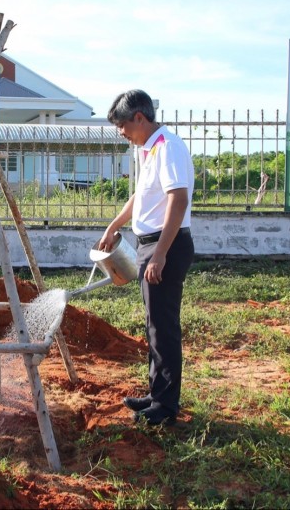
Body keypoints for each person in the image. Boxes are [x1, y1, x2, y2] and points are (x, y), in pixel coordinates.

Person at [98, 89, 195, 427]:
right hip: (149, 245)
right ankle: (157, 394)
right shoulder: (148, 149)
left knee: (164, 328)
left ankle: (166, 407)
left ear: (140, 117)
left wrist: (161, 255)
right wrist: (113, 225)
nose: (121, 133)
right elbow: (141, 196)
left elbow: (178, 201)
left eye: (123, 125)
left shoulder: (168, 147)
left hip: (164, 246)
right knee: (154, 325)